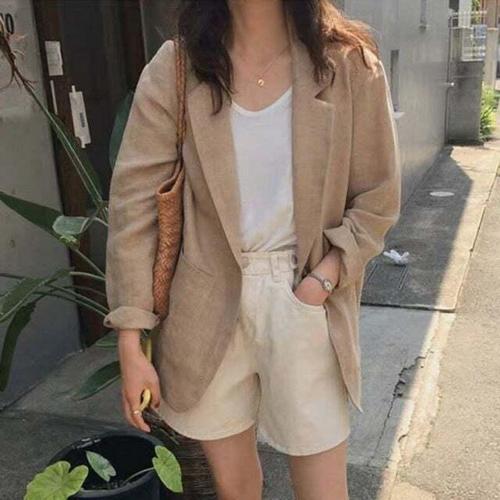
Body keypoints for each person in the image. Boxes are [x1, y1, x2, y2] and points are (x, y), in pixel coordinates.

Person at [103, 1, 401, 498]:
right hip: (207, 301)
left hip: (306, 293)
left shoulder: (348, 65)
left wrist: (323, 277)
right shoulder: (178, 68)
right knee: (236, 488)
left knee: (324, 491)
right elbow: (134, 207)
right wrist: (130, 339)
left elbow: (378, 198)